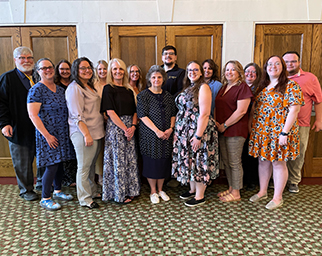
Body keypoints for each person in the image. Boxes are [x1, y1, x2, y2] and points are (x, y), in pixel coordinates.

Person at [249, 55, 303, 210]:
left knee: (278, 162)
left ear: (283, 67)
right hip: (262, 131)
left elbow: (294, 110)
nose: (273, 66)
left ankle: (278, 197)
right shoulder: (262, 86)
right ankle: (263, 192)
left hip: (280, 131)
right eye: (270, 64)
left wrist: (284, 133)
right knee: (263, 161)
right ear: (266, 68)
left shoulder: (291, 85)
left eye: (277, 64)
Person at [27, 58, 74, 210]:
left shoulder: (60, 90)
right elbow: (33, 115)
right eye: (43, 68)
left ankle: (58, 190)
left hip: (61, 133)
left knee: (60, 163)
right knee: (51, 165)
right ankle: (45, 197)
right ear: (38, 72)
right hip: (47, 134)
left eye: (50, 67)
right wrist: (47, 135)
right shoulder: (36, 90)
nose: (47, 70)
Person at [172, 61, 219, 207]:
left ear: (200, 73)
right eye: (189, 70)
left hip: (199, 130)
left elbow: (204, 114)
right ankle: (192, 189)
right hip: (185, 132)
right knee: (191, 159)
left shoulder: (203, 87)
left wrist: (198, 136)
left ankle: (200, 196)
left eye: (195, 70)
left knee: (199, 160)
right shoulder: (189, 87)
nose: (192, 72)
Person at [66, 57, 105, 209]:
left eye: (89, 67)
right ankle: (84, 198)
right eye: (83, 68)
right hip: (83, 133)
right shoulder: (74, 88)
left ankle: (93, 192)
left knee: (90, 166)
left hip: (96, 131)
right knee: (83, 167)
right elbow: (77, 116)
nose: (87, 70)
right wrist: (86, 134)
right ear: (76, 70)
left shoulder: (88, 86)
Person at [0, 46, 38, 201]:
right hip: (18, 127)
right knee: (22, 161)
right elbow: (1, 103)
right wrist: (4, 124)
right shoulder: (7, 78)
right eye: (22, 58)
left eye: (29, 57)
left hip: (40, 128)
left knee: (43, 159)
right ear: (15, 60)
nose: (26, 61)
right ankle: (26, 190)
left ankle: (42, 185)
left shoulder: (39, 76)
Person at [101, 58, 140, 204]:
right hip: (117, 129)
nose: (118, 71)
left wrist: (133, 127)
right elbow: (110, 112)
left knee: (130, 160)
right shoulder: (108, 88)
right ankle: (119, 194)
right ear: (111, 71)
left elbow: (135, 110)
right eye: (115, 69)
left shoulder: (129, 89)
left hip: (130, 127)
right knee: (118, 161)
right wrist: (125, 129)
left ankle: (131, 190)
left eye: (121, 69)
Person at [283, 51, 322, 193]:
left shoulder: (310, 78)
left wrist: (319, 120)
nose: (289, 64)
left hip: (301, 123)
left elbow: (318, 101)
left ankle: (293, 181)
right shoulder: (276, 77)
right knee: (279, 152)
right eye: (286, 62)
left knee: (298, 152)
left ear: (299, 63)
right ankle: (277, 180)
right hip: (279, 124)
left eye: (293, 61)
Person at [137, 65, 176, 204]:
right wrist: (157, 131)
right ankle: (153, 191)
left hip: (166, 135)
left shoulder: (168, 96)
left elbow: (173, 114)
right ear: (149, 79)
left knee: (163, 161)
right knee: (151, 162)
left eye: (159, 77)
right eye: (153, 77)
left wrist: (171, 128)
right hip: (150, 136)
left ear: (163, 79)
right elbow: (142, 116)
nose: (156, 79)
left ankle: (161, 189)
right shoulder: (143, 95)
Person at [215, 60, 252, 202]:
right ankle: (231, 188)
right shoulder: (224, 87)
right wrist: (219, 124)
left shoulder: (243, 88)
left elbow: (241, 111)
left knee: (235, 162)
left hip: (235, 130)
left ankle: (236, 193)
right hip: (222, 129)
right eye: (227, 69)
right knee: (226, 161)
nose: (229, 72)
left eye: (233, 70)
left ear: (239, 73)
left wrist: (224, 124)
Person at [52, 59, 77, 187]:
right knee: (64, 150)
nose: (65, 71)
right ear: (58, 71)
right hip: (60, 122)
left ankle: (73, 177)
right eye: (62, 69)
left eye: (67, 69)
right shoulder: (55, 86)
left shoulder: (75, 84)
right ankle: (65, 179)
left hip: (74, 121)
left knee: (74, 150)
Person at [242, 63, 262, 191]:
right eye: (247, 71)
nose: (249, 74)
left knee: (253, 156)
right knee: (242, 155)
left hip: (255, 126)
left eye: (253, 72)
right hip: (241, 125)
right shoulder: (241, 87)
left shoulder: (260, 89)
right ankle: (243, 179)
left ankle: (252, 180)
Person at [94, 60, 109, 186]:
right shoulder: (93, 85)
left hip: (111, 121)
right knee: (99, 150)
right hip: (98, 121)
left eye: (104, 69)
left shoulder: (112, 83)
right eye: (100, 69)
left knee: (108, 149)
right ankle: (100, 176)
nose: (102, 71)